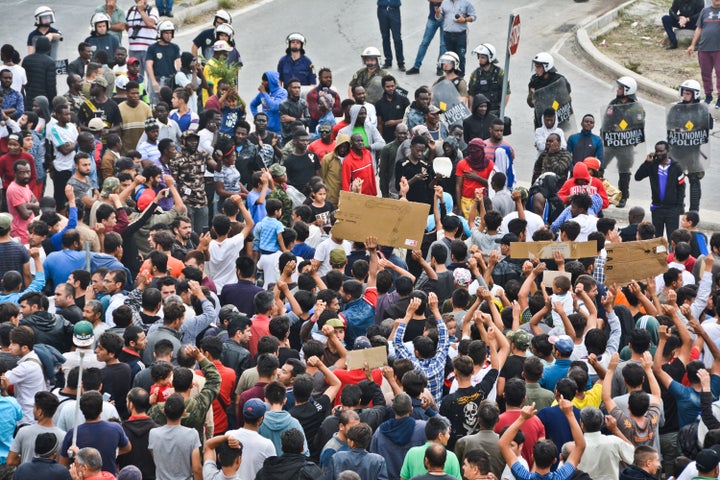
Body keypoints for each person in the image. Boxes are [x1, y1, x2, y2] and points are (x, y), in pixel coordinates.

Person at [499, 397, 585, 480]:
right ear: (554, 460)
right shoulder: (561, 477)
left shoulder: (524, 476)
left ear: (533, 457)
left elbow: (503, 443)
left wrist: (522, 418)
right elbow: (580, 446)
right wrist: (569, 414)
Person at [668, 79, 712, 213]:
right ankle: (679, 206)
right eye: (684, 93)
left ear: (695, 94)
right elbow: (669, 125)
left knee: (694, 179)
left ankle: (694, 210)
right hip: (677, 149)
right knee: (676, 179)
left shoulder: (701, 110)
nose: (685, 95)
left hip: (693, 150)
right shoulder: (676, 108)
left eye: (688, 93)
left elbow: (708, 127)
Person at [634, 140, 686, 240]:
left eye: (661, 151)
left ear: (667, 151)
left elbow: (681, 188)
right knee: (657, 239)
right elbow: (638, 177)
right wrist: (646, 163)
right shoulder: (652, 165)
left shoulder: (676, 167)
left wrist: (679, 207)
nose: (658, 153)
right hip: (657, 208)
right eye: (657, 151)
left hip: (672, 209)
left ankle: (672, 255)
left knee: (673, 238)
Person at [148, 393, 202, 480]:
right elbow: (197, 468)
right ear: (184, 412)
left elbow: (156, 459)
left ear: (164, 411)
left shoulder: (153, 433)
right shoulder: (192, 434)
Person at [434, 0, 476, 76]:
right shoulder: (445, 2)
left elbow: (473, 16)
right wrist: (437, 13)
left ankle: (460, 79)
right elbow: (439, 18)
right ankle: (451, 78)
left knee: (461, 57)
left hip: (460, 36)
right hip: (448, 35)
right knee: (450, 58)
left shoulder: (466, 2)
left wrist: (465, 19)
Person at [405, 1, 445, 76]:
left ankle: (440, 67)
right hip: (432, 18)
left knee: (443, 45)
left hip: (445, 19)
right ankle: (416, 66)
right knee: (424, 42)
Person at [145, 20, 180, 106]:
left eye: (170, 33)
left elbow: (178, 63)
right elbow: (149, 65)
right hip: (157, 78)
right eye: (166, 33)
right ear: (160, 33)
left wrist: (179, 76)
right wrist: (153, 81)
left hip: (171, 80)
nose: (169, 36)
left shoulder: (175, 47)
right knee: (155, 103)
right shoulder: (152, 48)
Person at [468, 43, 508, 116]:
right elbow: (471, 94)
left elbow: (507, 92)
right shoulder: (475, 74)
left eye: (482, 57)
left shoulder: (499, 73)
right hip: (478, 112)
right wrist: (471, 111)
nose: (480, 60)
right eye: (479, 57)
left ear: (490, 58)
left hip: (494, 111)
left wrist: (501, 110)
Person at [125, 0, 159, 77]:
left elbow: (150, 23)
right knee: (135, 76)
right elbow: (127, 27)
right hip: (133, 50)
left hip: (149, 50)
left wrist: (141, 11)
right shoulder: (129, 11)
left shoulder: (152, 10)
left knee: (152, 76)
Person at [20, 37, 56, 111]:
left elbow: (23, 82)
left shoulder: (26, 59)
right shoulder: (50, 62)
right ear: (48, 47)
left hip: (29, 100)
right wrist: (53, 102)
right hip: (43, 102)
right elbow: (51, 86)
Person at [250, 71, 288, 136]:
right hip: (265, 130)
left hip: (278, 130)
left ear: (272, 82)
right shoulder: (263, 93)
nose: (262, 82)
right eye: (262, 80)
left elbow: (274, 107)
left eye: (265, 80)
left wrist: (264, 93)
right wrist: (257, 117)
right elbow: (252, 105)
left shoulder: (282, 93)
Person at [377, 0, 404, 71]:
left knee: (397, 37)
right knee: (385, 37)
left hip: (394, 10)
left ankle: (400, 62)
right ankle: (388, 61)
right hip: (382, 9)